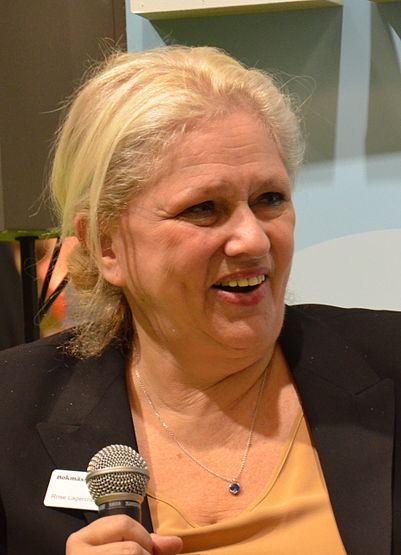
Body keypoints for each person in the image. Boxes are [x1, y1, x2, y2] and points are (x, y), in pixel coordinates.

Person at [0, 46, 400, 555]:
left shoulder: (390, 361)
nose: (253, 239)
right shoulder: (11, 411)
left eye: (270, 199)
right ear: (106, 245)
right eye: (204, 208)